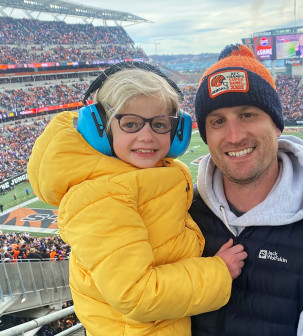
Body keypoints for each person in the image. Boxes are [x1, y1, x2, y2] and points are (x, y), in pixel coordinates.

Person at [28, 61, 247, 336]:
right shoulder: (101, 197)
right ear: (101, 130)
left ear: (176, 132)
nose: (147, 136)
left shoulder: (147, 177)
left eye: (159, 124)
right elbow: (136, 294)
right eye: (130, 123)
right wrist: (219, 272)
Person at [189, 44, 303, 336]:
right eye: (218, 121)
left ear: (277, 124)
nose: (234, 136)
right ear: (206, 136)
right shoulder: (183, 209)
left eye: (247, 114)